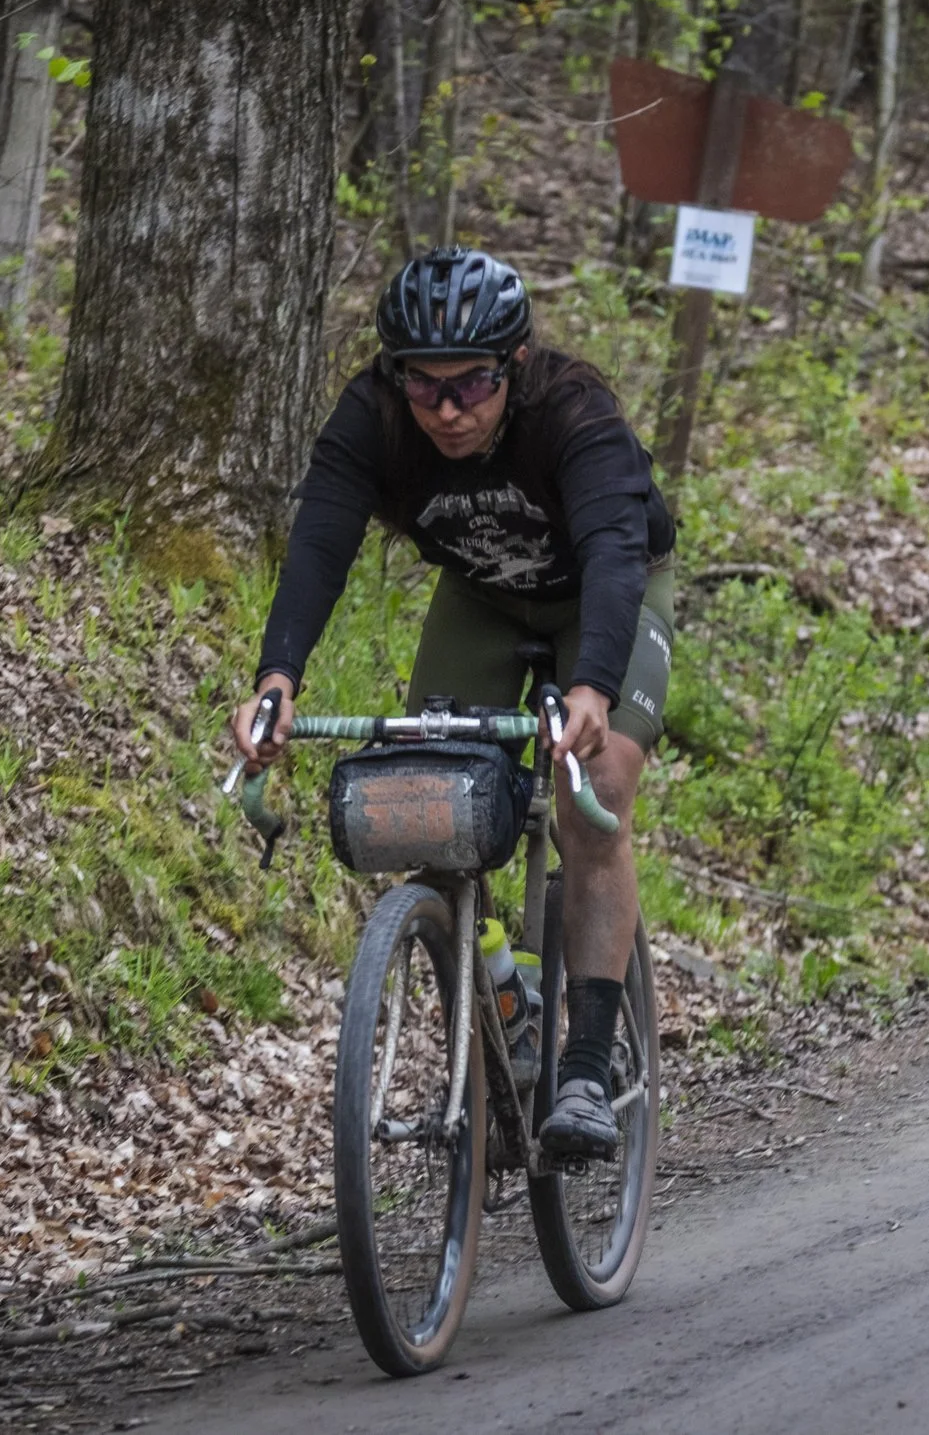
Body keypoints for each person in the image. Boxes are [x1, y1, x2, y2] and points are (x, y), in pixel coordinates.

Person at [228, 247, 676, 1159]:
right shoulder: (375, 417)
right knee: (427, 800)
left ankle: (587, 1066)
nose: (445, 410)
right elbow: (320, 542)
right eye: (422, 386)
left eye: (470, 385)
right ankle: (504, 1004)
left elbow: (615, 554)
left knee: (596, 789)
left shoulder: (572, 411)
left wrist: (590, 685)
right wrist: (277, 678)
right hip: (481, 597)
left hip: (606, 596)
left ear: (511, 365)